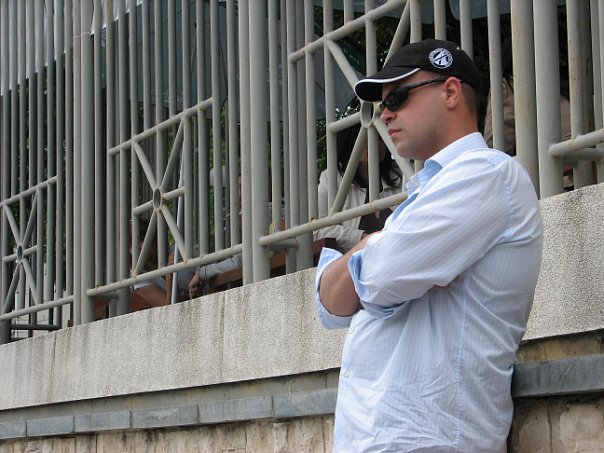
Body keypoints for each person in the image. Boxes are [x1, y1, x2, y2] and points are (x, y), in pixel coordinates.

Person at [315, 39, 543, 452]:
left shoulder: (488, 175)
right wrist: (372, 245)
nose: (385, 114)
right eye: (382, 104)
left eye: (398, 97)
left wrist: (374, 258)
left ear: (451, 92)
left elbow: (380, 278)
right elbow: (328, 307)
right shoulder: (425, 195)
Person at [314, 123, 402, 253]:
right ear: (348, 143)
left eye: (379, 137)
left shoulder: (405, 171)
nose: (374, 143)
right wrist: (363, 239)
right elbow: (316, 229)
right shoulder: (331, 178)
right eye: (364, 138)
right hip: (355, 261)